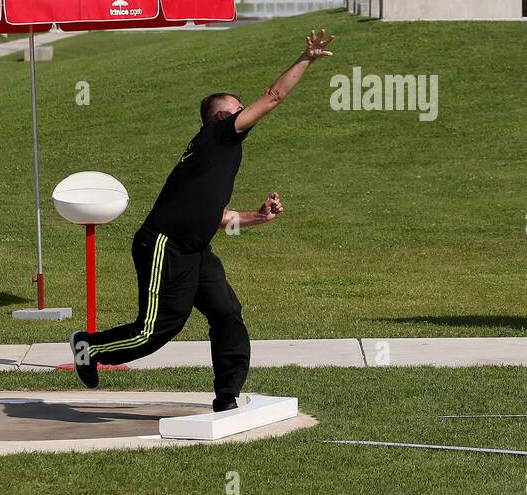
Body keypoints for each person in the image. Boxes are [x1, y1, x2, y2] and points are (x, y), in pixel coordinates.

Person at [69, 29, 336, 411]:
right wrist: (305, 58)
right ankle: (91, 347)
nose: (247, 113)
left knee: (226, 312)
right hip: (165, 245)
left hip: (196, 248)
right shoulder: (218, 135)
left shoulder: (214, 153)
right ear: (224, 115)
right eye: (240, 108)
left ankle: (227, 396)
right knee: (157, 329)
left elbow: (220, 217)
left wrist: (258, 217)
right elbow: (274, 96)